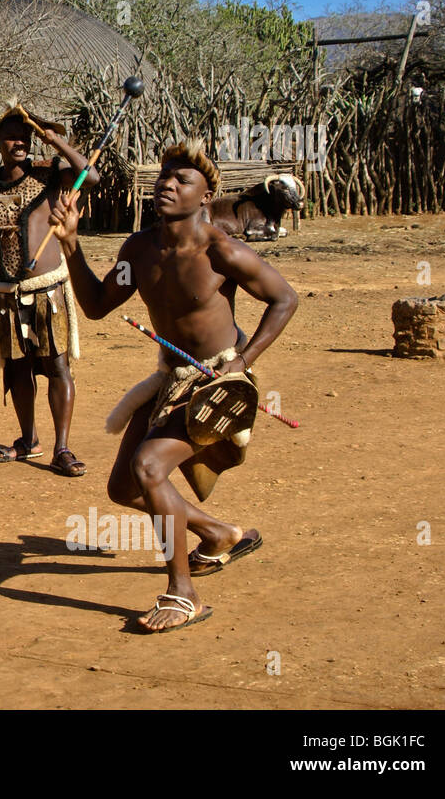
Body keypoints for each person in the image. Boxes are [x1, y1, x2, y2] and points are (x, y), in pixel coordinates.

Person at [47, 139, 297, 632]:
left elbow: (285, 299)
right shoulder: (138, 249)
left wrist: (242, 362)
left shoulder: (222, 250)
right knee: (124, 488)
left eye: (183, 180)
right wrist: (71, 246)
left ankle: (183, 593)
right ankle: (218, 532)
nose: (168, 185)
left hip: (215, 384)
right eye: (165, 177)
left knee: (148, 466)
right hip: (170, 379)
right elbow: (97, 304)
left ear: (205, 197)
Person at [0, 103, 96, 475]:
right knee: (17, 369)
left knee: (57, 365)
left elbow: (90, 178)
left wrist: (54, 140)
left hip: (47, 291)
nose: (21, 141)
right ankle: (28, 441)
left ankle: (62, 448)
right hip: (8, 294)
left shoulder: (51, 175)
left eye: (26, 135)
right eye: (12, 135)